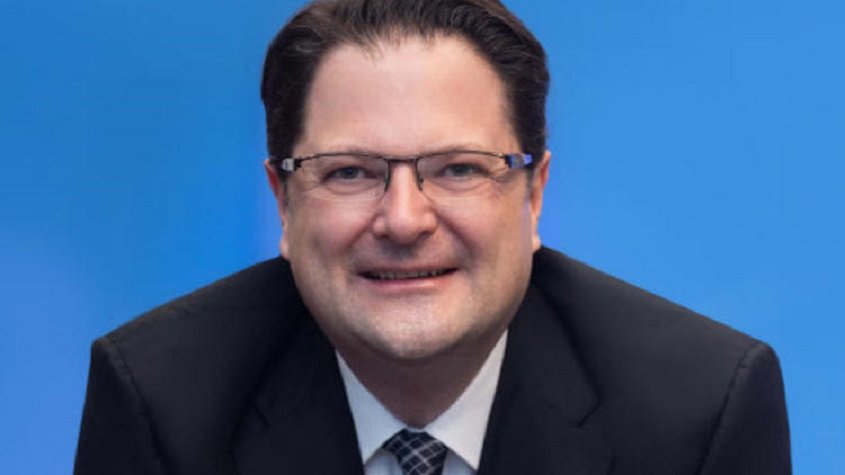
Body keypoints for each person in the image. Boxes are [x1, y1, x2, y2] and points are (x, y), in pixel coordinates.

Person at [74, 0, 791, 473]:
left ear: (534, 194)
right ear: (283, 203)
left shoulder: (698, 410)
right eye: (350, 171)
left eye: (458, 169)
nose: (404, 219)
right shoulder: (161, 401)